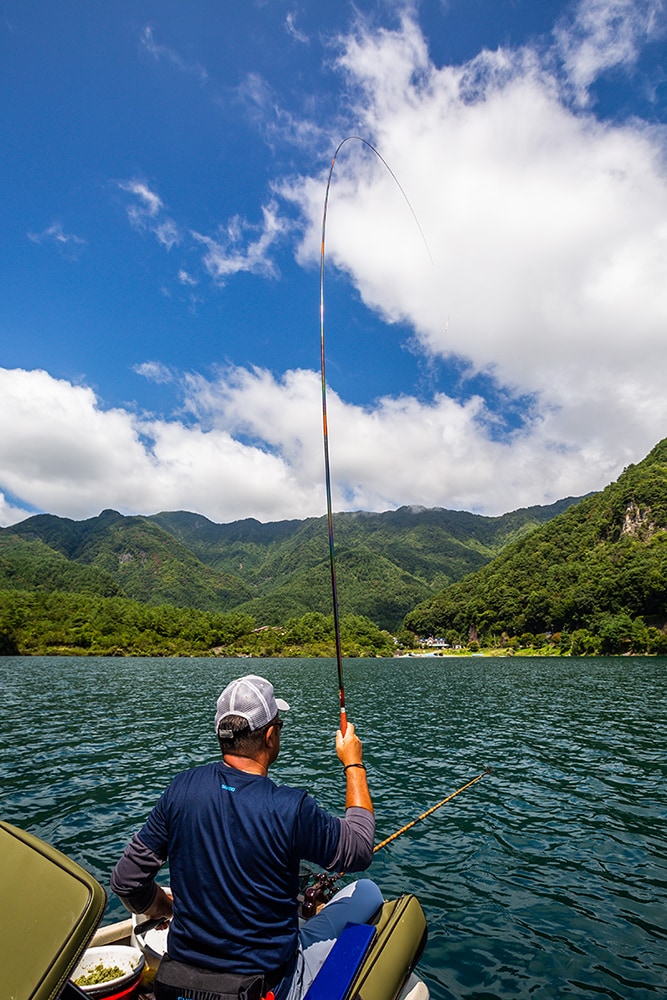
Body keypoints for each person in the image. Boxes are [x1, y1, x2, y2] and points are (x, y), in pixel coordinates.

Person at [111, 674, 382, 1000]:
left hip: (180, 983)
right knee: (367, 892)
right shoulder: (290, 807)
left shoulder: (180, 790)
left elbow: (127, 881)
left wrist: (165, 908)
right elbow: (360, 847)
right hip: (264, 986)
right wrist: (353, 762)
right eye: (278, 725)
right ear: (270, 736)